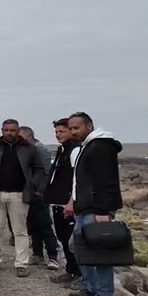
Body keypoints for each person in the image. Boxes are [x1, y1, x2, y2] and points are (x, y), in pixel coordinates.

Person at [65, 112, 124, 296]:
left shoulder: (101, 146)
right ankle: (91, 287)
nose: (73, 132)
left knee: (99, 250)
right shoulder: (88, 146)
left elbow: (106, 181)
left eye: (77, 128)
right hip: (84, 206)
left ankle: (104, 294)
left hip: (96, 208)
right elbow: (80, 181)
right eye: (71, 128)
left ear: (89, 126)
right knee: (79, 246)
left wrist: (102, 210)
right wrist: (73, 201)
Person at [0, 119, 44, 277]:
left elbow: (39, 169)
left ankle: (21, 264)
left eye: (13, 130)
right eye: (6, 130)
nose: (9, 133)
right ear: (2, 130)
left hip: (19, 195)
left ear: (18, 131)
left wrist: (32, 185)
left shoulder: (28, 148)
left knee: (20, 231)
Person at [45, 118, 82, 284]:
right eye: (56, 132)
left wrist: (71, 200)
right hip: (57, 201)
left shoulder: (74, 150)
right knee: (63, 237)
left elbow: (77, 177)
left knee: (69, 239)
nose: (58, 135)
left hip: (68, 203)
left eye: (62, 131)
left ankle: (76, 272)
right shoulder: (62, 150)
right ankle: (71, 269)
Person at [19, 126, 60, 269]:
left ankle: (53, 256)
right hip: (29, 193)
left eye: (21, 137)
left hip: (39, 194)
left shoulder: (40, 150)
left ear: (29, 136)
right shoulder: (26, 150)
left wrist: (40, 192)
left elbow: (46, 173)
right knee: (32, 225)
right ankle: (37, 254)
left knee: (44, 225)